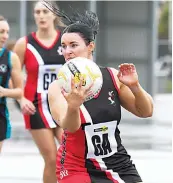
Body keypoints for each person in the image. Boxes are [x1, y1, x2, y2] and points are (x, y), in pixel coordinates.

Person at [45, 2, 153, 183]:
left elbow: (146, 111)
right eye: (63, 46)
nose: (67, 51)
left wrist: (135, 87)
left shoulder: (112, 76)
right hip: (77, 166)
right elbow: (71, 127)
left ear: (91, 47)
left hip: (117, 162)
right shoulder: (58, 88)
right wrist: (74, 106)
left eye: (73, 45)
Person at [13, 1, 65, 183]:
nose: (41, 15)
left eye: (45, 11)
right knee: (51, 158)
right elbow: (15, 74)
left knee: (70, 153)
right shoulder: (24, 44)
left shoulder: (65, 41)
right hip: (35, 107)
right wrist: (20, 99)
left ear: (54, 15)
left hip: (61, 106)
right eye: (37, 12)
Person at [0, 16, 22, 153]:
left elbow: (20, 91)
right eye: (1, 31)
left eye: (7, 32)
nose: (5, 36)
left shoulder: (11, 57)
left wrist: (4, 91)